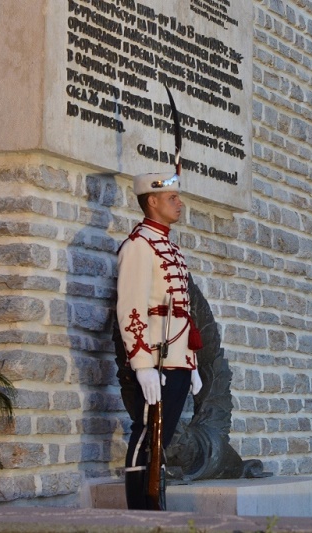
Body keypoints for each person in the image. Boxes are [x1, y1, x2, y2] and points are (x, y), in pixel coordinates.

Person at [116, 170, 203, 510]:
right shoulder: (139, 246)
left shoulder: (169, 247)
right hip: (154, 360)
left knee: (161, 438)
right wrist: (142, 365)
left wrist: (191, 363)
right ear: (152, 201)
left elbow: (181, 312)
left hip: (177, 360)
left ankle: (155, 506)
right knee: (146, 435)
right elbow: (131, 308)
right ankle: (139, 508)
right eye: (172, 198)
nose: (179, 203)